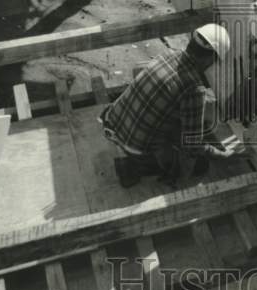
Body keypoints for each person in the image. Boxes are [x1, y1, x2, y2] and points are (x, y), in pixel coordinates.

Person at [99, 24, 232, 187]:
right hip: (132, 144)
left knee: (177, 127)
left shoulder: (168, 53)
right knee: (200, 165)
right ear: (211, 58)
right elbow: (191, 146)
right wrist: (218, 153)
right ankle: (138, 166)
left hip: (112, 122)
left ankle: (140, 157)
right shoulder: (194, 89)